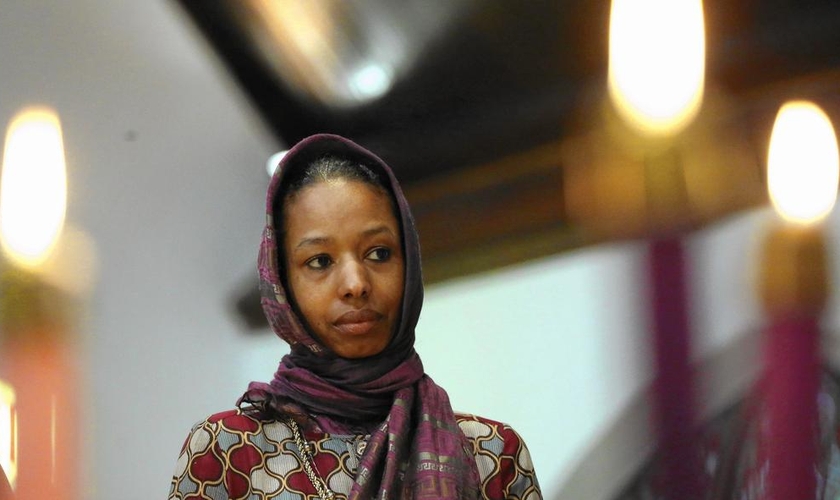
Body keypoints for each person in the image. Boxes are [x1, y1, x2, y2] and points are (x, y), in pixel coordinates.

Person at [167, 134, 542, 500]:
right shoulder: (228, 451)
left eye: (378, 253)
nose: (355, 284)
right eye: (320, 261)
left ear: (409, 261)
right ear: (283, 282)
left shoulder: (490, 455)